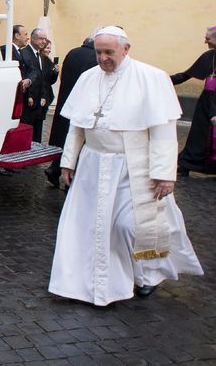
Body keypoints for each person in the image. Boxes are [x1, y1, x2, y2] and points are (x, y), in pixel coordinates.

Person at [49, 27, 202, 306]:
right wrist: (68, 162)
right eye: (99, 52)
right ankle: (90, 284)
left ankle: (149, 275)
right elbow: (77, 127)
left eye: (109, 52)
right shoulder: (88, 78)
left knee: (132, 227)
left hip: (134, 167)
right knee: (89, 228)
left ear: (126, 49)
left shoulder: (151, 78)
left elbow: (163, 133)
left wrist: (165, 175)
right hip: (93, 166)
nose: (103, 58)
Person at [44, 30, 99, 187]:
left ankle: (54, 167)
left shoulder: (73, 52)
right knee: (76, 139)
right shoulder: (94, 58)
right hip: (81, 103)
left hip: (65, 99)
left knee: (62, 137)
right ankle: (67, 176)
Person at [170, 26, 216, 176]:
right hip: (206, 101)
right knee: (198, 134)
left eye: (207, 38)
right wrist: (164, 79)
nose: (205, 41)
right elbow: (186, 75)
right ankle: (187, 163)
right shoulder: (209, 56)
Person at [0, 24, 30, 175]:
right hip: (3, 98)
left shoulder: (17, 51)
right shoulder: (7, 50)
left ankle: (5, 163)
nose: (27, 37)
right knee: (1, 130)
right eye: (25, 33)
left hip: (11, 97)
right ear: (16, 36)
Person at [20, 28, 53, 142]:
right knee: (26, 134)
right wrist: (29, 95)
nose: (44, 42)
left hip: (39, 103)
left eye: (45, 39)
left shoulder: (41, 56)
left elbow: (43, 78)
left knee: (37, 136)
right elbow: (23, 75)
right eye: (41, 39)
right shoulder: (24, 53)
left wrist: (44, 95)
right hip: (28, 102)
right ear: (33, 38)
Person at [39, 40, 60, 125]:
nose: (49, 50)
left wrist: (55, 72)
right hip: (41, 94)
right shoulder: (40, 60)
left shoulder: (48, 60)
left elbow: (50, 81)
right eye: (47, 48)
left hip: (47, 94)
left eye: (50, 48)